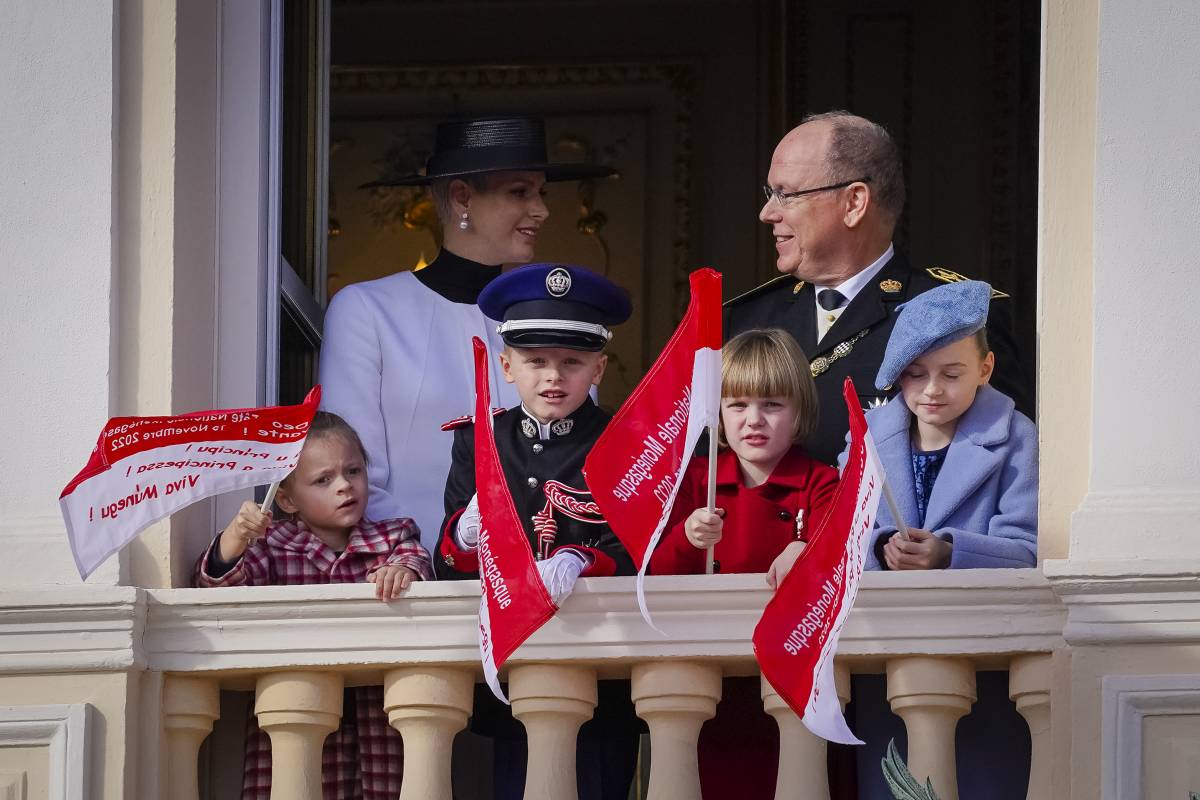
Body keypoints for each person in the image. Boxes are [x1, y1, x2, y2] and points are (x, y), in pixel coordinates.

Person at [320, 115, 614, 555]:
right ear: (462, 198)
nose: (542, 209)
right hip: (408, 581)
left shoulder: (558, 321)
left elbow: (579, 461)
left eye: (541, 192)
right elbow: (349, 470)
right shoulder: (366, 310)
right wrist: (415, 562)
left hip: (543, 581)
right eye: (520, 192)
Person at [435, 262, 638, 800]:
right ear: (506, 365)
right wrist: (465, 535)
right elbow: (445, 555)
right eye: (536, 362)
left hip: (603, 655)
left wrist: (579, 558)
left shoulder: (623, 441)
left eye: (571, 362)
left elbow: (638, 544)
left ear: (598, 369)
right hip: (515, 655)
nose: (553, 377)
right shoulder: (479, 439)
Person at [725, 110, 1029, 466]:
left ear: (854, 202)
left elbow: (999, 463)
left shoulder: (955, 315)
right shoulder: (743, 319)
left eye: (786, 194)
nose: (767, 212)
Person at [194, 412, 434, 800]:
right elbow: (216, 585)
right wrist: (234, 539)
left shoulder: (392, 536)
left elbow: (418, 561)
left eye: (353, 471)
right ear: (286, 498)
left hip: (380, 722)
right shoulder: (270, 545)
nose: (344, 486)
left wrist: (402, 569)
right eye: (323, 479)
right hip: (297, 715)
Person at [650, 328, 839, 799]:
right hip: (708, 684)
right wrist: (687, 538)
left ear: (800, 412)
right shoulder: (695, 480)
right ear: (717, 413)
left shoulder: (820, 481)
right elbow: (655, 576)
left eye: (772, 404)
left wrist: (806, 548)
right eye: (737, 405)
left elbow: (842, 552)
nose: (754, 420)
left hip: (792, 678)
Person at [854, 279, 1038, 570]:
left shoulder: (1017, 437)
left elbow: (1029, 549)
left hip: (973, 611)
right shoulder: (866, 438)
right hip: (885, 611)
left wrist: (951, 553)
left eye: (951, 375)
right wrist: (880, 548)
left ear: (985, 369)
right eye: (915, 374)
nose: (932, 390)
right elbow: (841, 538)